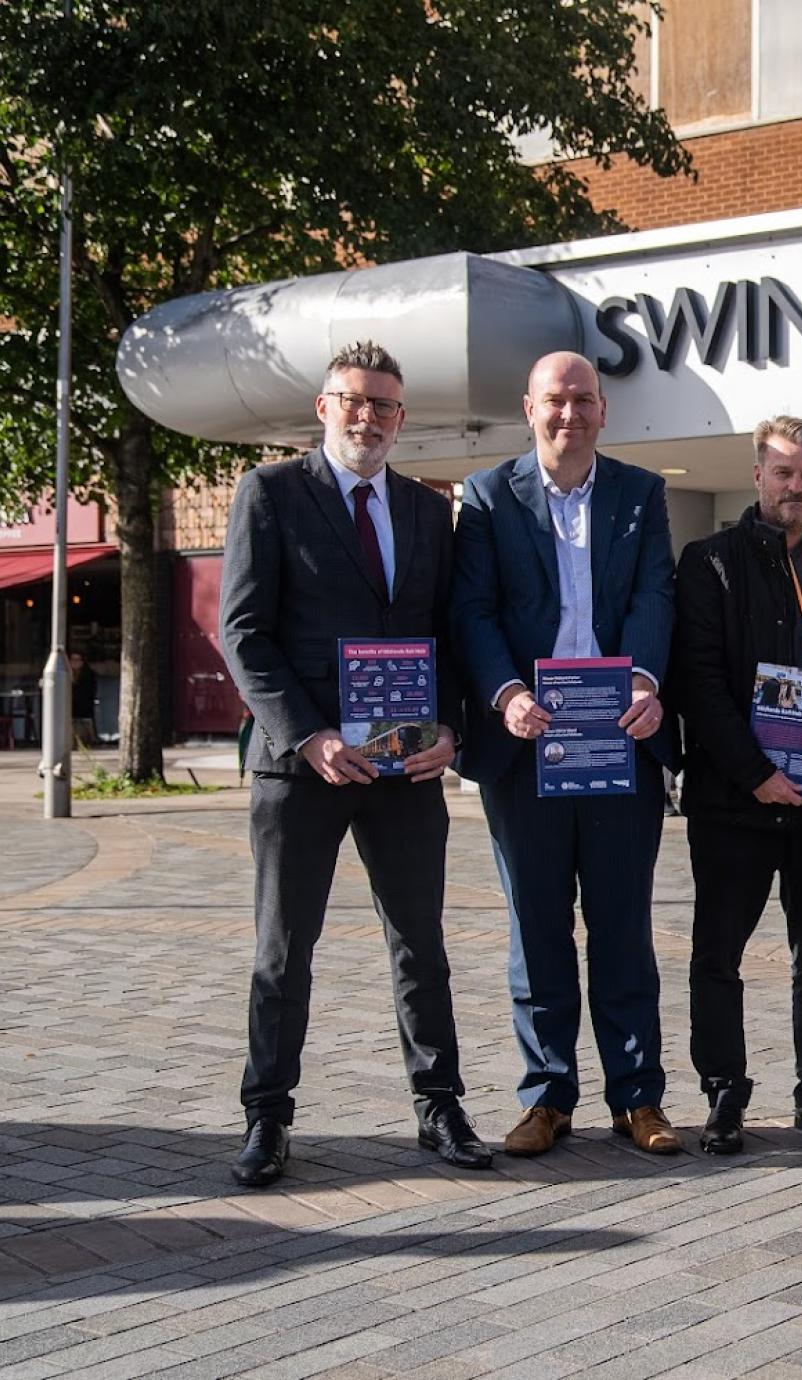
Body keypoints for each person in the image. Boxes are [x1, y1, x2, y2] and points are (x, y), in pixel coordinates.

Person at [218, 340, 489, 1187]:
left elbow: (449, 635)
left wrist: (451, 730)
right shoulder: (269, 493)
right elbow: (244, 634)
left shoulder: (422, 508)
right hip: (301, 768)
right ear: (324, 409)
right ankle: (268, 1117)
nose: (367, 416)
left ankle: (438, 1105)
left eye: (383, 405)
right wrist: (311, 735)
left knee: (422, 947)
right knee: (283, 951)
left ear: (401, 419)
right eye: (352, 401)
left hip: (403, 770)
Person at [451, 351, 679, 1158]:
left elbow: (656, 594)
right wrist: (508, 694)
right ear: (529, 407)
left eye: (584, 400)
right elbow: (472, 612)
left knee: (624, 928)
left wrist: (646, 682)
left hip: (620, 745)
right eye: (556, 400)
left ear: (603, 412)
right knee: (537, 930)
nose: (570, 414)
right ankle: (546, 1097)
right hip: (528, 749)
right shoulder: (485, 497)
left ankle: (638, 1097)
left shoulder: (640, 494)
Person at [673, 416, 802, 1155]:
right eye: (784, 473)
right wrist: (754, 773)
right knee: (717, 954)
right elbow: (698, 682)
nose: (797, 487)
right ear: (757, 475)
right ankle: (724, 1094)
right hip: (734, 802)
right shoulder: (709, 562)